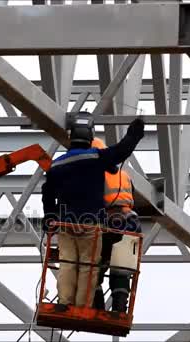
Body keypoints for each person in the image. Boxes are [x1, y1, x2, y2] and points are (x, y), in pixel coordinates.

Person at [41, 112, 145, 308]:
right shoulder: (97, 157)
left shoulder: (57, 164)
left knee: (68, 263)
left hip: (65, 223)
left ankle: (64, 302)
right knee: (89, 265)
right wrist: (136, 131)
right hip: (90, 223)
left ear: (71, 137)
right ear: (90, 136)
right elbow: (122, 150)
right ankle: (82, 306)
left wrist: (50, 215)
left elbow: (47, 192)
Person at [91, 138, 142, 313]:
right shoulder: (125, 175)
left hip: (110, 221)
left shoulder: (97, 173)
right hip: (132, 222)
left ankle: (96, 308)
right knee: (122, 267)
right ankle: (120, 309)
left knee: (95, 267)